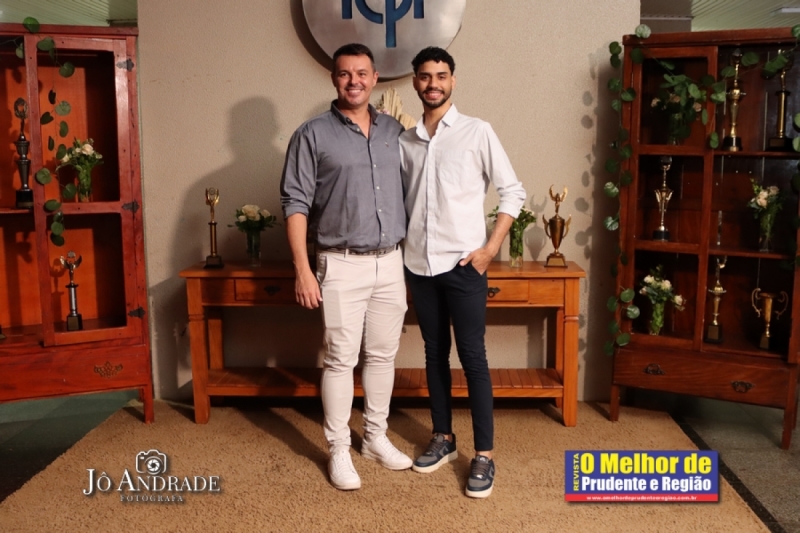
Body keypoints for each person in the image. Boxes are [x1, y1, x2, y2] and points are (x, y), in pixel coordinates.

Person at [280, 43, 412, 491]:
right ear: (334, 79)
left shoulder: (395, 130)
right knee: (340, 359)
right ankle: (338, 447)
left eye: (361, 73)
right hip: (339, 263)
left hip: (390, 261)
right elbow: (295, 204)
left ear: (375, 78)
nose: (353, 81)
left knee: (383, 355)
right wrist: (303, 270)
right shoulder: (311, 135)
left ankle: (374, 437)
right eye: (344, 73)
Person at [400, 46, 526, 499]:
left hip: (464, 266)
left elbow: (513, 191)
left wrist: (490, 249)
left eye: (441, 75)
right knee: (434, 354)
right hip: (420, 266)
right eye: (425, 76)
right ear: (415, 82)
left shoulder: (477, 132)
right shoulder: (405, 142)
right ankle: (443, 438)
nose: (433, 83)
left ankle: (484, 455)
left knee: (473, 357)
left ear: (453, 80)